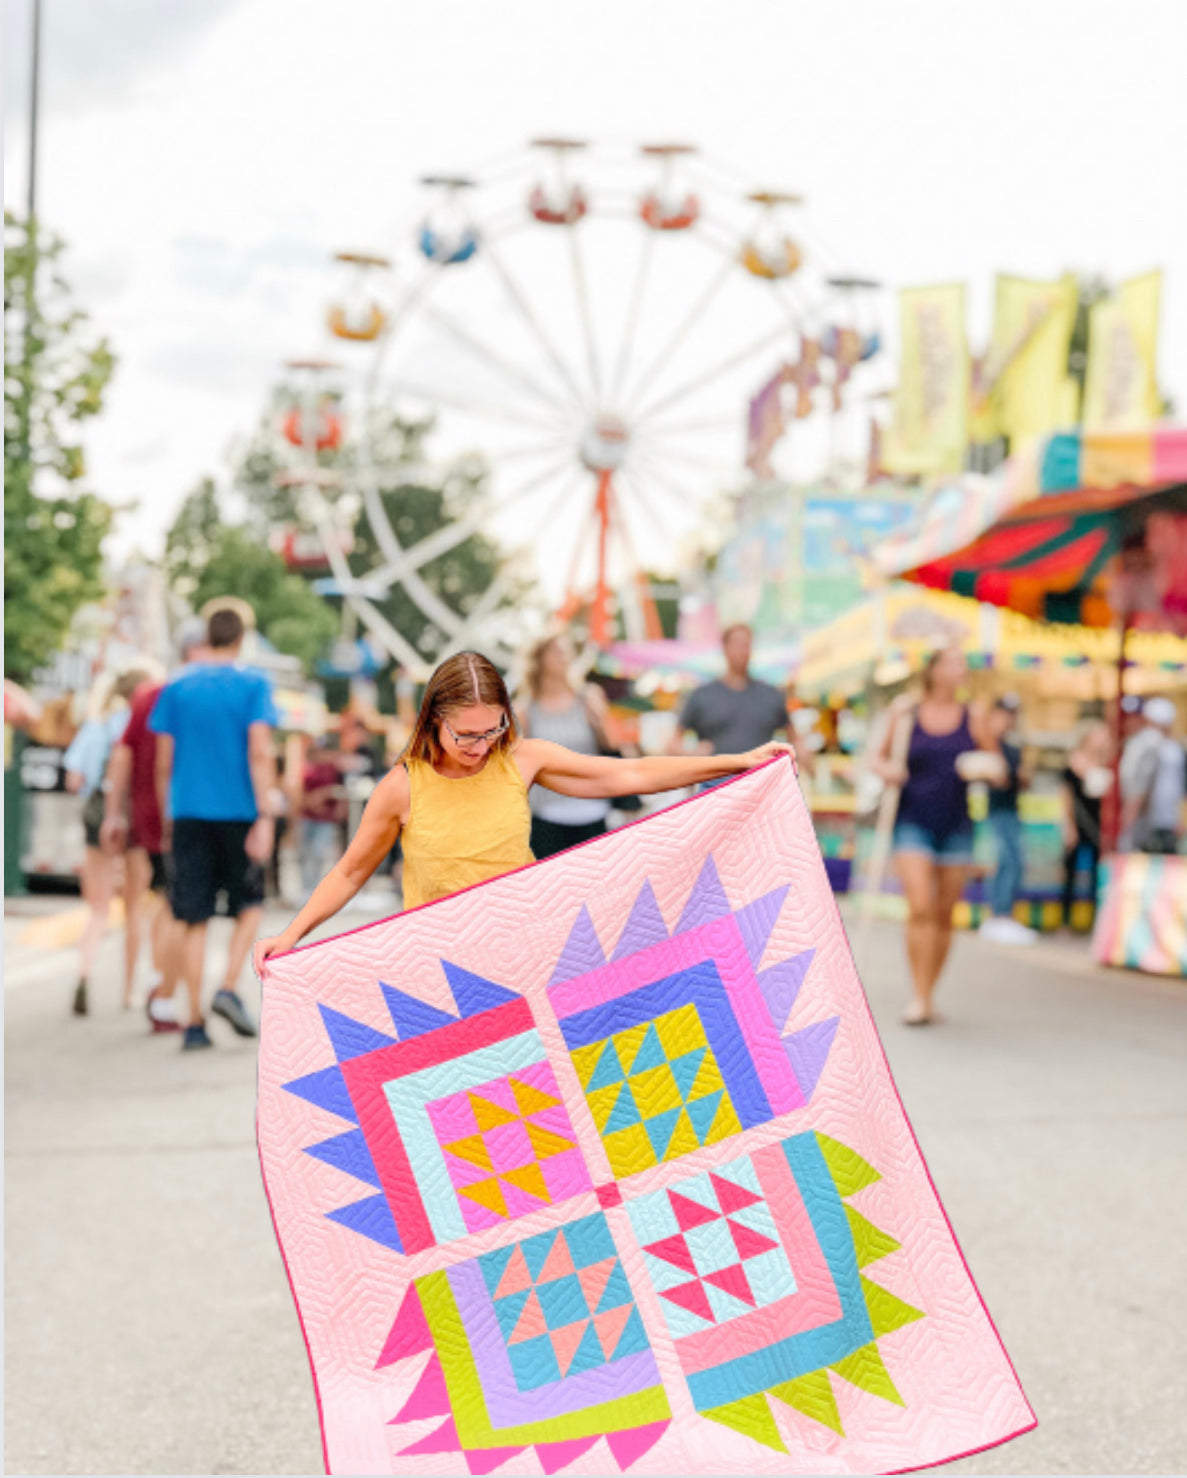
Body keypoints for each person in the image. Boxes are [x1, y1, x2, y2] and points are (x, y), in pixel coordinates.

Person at [254, 650, 792, 971]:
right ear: (433, 719)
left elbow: (629, 774)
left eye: (492, 731)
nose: (480, 745)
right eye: (466, 734)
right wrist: (291, 934)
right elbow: (350, 870)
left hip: (528, 952)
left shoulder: (523, 761)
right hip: (441, 964)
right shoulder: (402, 787)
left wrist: (736, 761)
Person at [151, 607, 279, 1051]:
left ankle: (194, 1020)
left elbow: (163, 759)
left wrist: (169, 814)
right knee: (251, 902)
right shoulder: (254, 684)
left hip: (187, 810)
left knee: (192, 915)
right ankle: (227, 986)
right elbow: (259, 749)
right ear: (241, 637)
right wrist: (265, 812)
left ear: (206, 635)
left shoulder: (177, 685)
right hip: (239, 811)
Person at [869, 645, 996, 1025]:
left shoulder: (974, 715)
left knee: (943, 914)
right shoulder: (906, 711)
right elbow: (877, 756)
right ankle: (919, 996)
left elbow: (996, 764)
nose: (961, 669)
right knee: (921, 906)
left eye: (963, 663)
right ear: (934, 670)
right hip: (912, 820)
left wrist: (985, 768)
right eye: (954, 663)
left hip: (957, 823)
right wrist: (888, 770)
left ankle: (929, 991)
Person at [63, 668, 151, 1017]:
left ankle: (84, 973)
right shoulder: (142, 724)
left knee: (98, 908)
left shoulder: (96, 725)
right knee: (133, 908)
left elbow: (74, 779)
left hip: (96, 812)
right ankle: (128, 992)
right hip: (131, 817)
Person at [519, 633, 613, 859]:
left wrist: (599, 723)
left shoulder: (589, 697)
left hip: (593, 812)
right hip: (546, 817)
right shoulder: (525, 710)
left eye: (567, 652)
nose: (564, 658)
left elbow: (612, 748)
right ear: (539, 659)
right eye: (557, 652)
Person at [672, 624, 797, 786]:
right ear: (725, 648)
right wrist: (691, 754)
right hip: (714, 788)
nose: (742, 650)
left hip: (761, 787)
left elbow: (795, 739)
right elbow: (673, 743)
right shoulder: (701, 695)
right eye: (737, 644)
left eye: (746, 644)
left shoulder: (771, 695)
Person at [979, 695, 1038, 945]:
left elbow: (1022, 782)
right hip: (997, 812)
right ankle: (998, 916)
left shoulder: (1014, 746)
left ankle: (1005, 915)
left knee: (1015, 863)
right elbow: (995, 779)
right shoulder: (989, 743)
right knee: (1005, 862)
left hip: (1013, 810)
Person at [1060, 720, 1112, 928]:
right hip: (1079, 822)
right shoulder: (1074, 763)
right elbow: (1066, 797)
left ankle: (1093, 920)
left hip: (1097, 825)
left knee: (1095, 872)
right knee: (1070, 871)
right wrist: (1068, 825)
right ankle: (1066, 919)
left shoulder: (1106, 763)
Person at [1120, 696, 1185, 855]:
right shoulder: (1165, 744)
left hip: (1151, 821)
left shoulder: (1150, 742)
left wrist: (1129, 817)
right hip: (1158, 821)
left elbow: (1140, 785)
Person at [300, 743, 347, 894]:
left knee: (319, 853)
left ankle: (315, 887)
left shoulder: (334, 769)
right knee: (305, 852)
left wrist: (322, 796)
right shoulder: (308, 767)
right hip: (307, 815)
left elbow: (339, 791)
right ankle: (306, 886)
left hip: (326, 817)